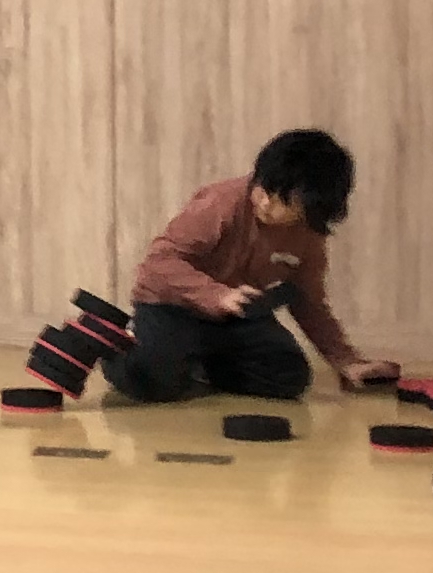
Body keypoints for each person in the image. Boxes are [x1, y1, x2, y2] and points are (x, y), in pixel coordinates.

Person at [101, 128, 400, 405]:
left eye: (283, 202)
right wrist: (216, 295)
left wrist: (345, 361)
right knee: (151, 381)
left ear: (312, 208)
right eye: (263, 188)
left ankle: (198, 362)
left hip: (237, 316)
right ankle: (114, 345)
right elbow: (160, 261)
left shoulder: (309, 236)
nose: (266, 203)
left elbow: (309, 302)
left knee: (290, 377)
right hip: (172, 307)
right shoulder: (220, 204)